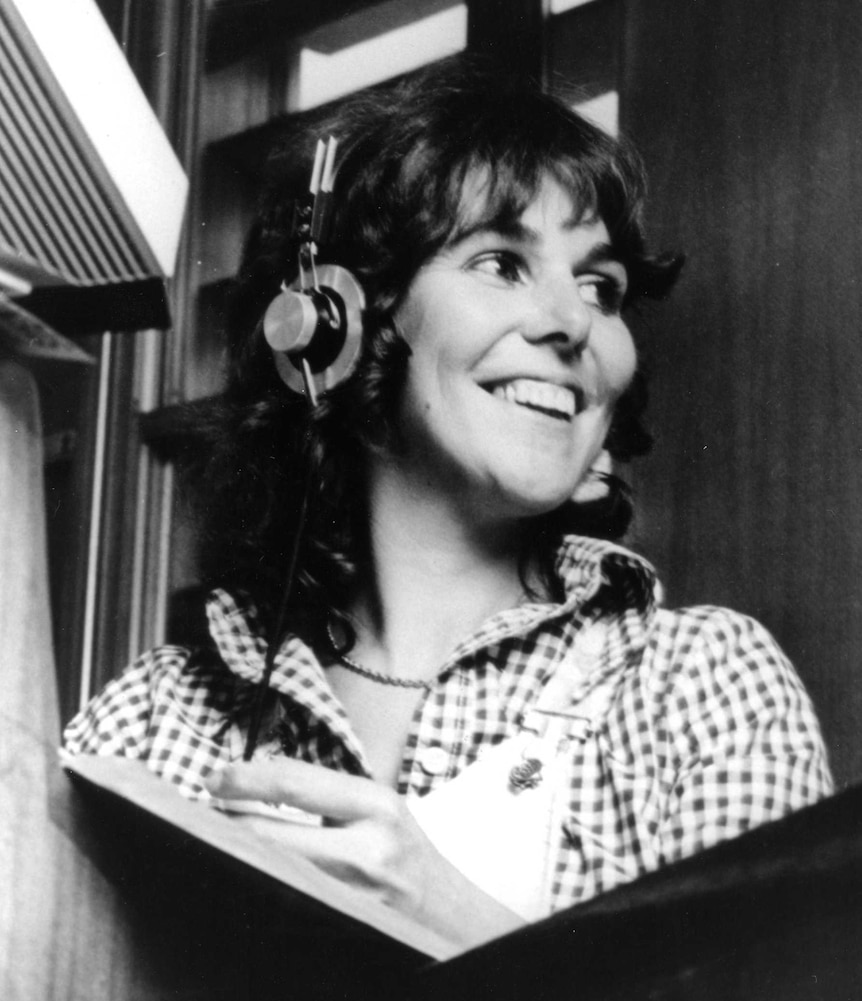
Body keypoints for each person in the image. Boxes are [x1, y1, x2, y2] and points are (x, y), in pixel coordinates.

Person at [64, 59, 832, 952]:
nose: (573, 323)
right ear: (335, 327)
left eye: (602, 286)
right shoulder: (155, 717)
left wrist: (441, 909)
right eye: (503, 263)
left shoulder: (704, 685)